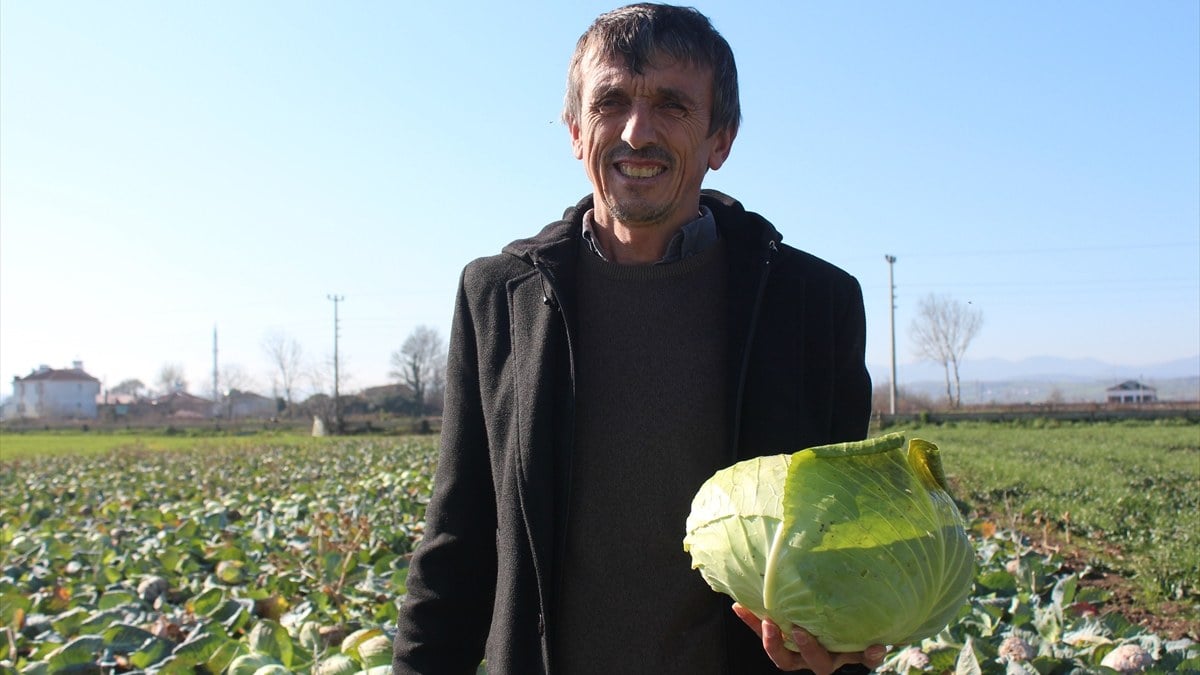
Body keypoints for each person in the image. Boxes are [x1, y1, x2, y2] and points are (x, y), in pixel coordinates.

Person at [393, 4, 881, 674]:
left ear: (721, 139)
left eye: (673, 105)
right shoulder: (499, 297)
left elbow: (840, 545)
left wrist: (848, 647)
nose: (636, 130)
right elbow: (457, 545)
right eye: (610, 101)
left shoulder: (813, 306)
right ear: (574, 130)